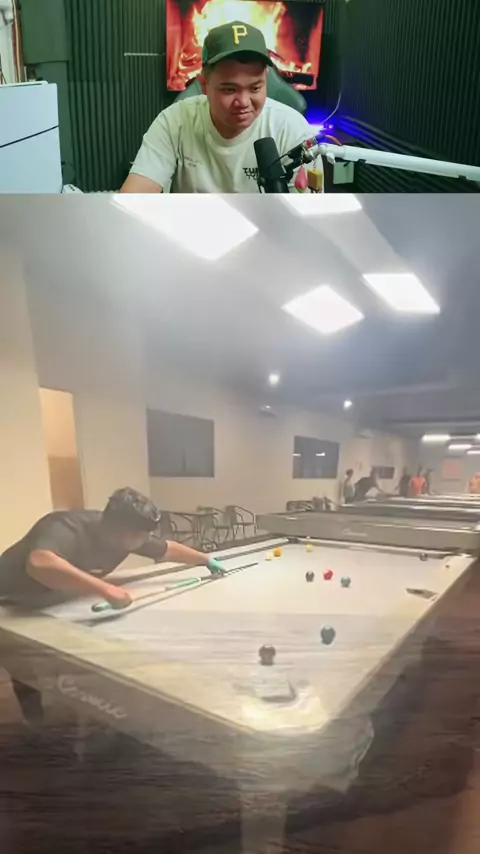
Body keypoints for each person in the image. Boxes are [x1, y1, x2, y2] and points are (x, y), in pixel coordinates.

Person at [0, 487, 225, 723]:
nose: (143, 541)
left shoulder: (130, 538)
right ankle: (33, 726)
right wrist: (105, 589)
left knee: (55, 659)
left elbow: (168, 549)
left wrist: (205, 560)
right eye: (138, 535)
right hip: (8, 598)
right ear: (114, 527)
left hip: (47, 596)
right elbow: (39, 564)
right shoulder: (66, 526)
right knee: (21, 665)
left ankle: (76, 706)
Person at [121, 21, 321, 194]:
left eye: (255, 88)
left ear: (266, 79)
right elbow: (134, 200)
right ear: (204, 85)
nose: (243, 102)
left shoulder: (291, 128)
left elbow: (306, 214)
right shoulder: (174, 121)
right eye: (229, 89)